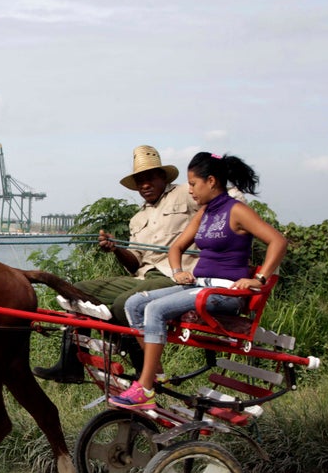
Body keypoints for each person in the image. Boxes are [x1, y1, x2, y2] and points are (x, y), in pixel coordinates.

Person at [109, 152, 288, 410]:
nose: (190, 190)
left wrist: (258, 279)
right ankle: (156, 374)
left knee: (155, 309)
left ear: (211, 181)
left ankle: (145, 389)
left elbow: (278, 241)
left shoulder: (236, 211)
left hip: (224, 291)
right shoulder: (204, 213)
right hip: (198, 285)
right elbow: (177, 247)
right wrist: (178, 270)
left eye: (193, 184)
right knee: (135, 304)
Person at [34, 145, 200, 383]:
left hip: (174, 277)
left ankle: (148, 367)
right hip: (144, 276)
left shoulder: (185, 193)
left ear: (163, 176)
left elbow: (226, 199)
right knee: (76, 291)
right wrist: (116, 248)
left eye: (150, 177)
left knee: (125, 303)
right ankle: (70, 364)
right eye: (139, 180)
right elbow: (135, 264)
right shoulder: (138, 219)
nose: (144, 185)